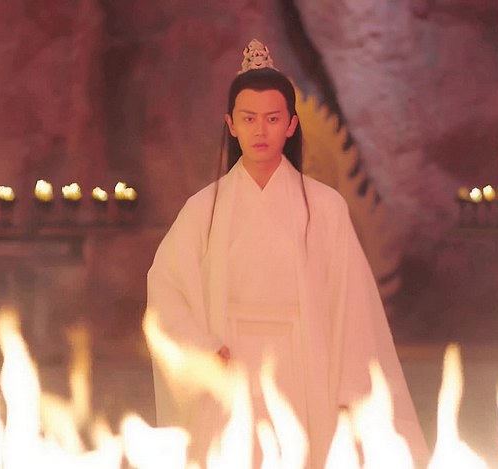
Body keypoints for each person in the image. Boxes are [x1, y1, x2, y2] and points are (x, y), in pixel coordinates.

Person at [145, 39, 428, 468]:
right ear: (231, 124)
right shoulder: (204, 209)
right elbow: (165, 285)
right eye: (249, 118)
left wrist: (349, 391)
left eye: (273, 118)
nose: (260, 131)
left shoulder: (326, 207)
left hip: (306, 362)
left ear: (292, 125)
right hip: (230, 362)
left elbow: (352, 307)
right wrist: (202, 348)